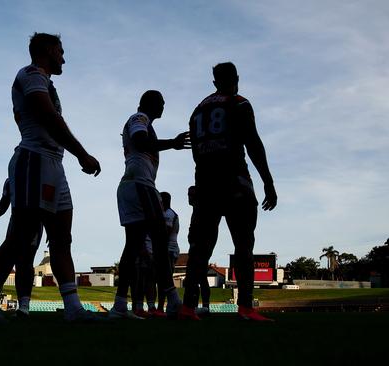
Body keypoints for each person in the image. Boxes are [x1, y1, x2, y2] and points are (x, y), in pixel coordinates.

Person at [0, 33, 101, 323]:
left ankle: (73, 308)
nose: (64, 58)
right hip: (33, 159)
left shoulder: (45, 81)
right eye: (60, 51)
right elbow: (48, 116)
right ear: (47, 50)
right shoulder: (31, 74)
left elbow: (52, 117)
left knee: (62, 238)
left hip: (53, 165)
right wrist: (81, 153)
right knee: (20, 236)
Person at [182, 62, 277, 321]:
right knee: (244, 245)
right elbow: (253, 142)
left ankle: (188, 307)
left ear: (214, 82)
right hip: (234, 181)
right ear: (236, 78)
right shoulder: (239, 103)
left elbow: (196, 154)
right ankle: (246, 306)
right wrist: (268, 181)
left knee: (200, 248)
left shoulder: (197, 111)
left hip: (205, 183)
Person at [110, 90, 190, 319]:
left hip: (133, 184)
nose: (164, 106)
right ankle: (173, 300)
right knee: (158, 240)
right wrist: (172, 143)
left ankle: (118, 305)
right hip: (140, 185)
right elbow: (140, 141)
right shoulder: (139, 119)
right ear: (151, 103)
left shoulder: (144, 123)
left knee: (133, 246)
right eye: (161, 102)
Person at [0, 177, 44, 320]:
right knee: (4, 258)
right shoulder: (11, 180)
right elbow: (3, 206)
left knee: (24, 262)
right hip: (15, 225)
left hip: (34, 225)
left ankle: (23, 307)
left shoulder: (41, 177)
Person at [187, 186, 211, 316]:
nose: (188, 198)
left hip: (199, 245)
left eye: (190, 195)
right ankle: (201, 305)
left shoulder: (199, 209)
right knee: (200, 277)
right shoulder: (197, 209)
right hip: (198, 244)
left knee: (199, 277)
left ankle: (200, 305)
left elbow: (197, 228)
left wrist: (195, 242)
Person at [156, 191, 180, 312]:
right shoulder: (169, 213)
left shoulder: (168, 214)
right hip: (170, 249)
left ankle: (162, 307)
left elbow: (166, 232)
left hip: (168, 250)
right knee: (163, 280)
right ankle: (162, 306)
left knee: (164, 280)